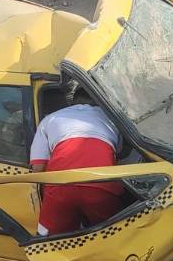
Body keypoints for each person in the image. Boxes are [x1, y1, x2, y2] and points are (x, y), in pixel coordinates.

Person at [29, 84, 125, 236]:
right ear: (101, 101)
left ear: (72, 102)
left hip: (61, 186)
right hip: (101, 185)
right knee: (112, 236)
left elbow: (38, 168)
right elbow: (119, 153)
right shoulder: (113, 119)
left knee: (50, 242)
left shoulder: (51, 119)